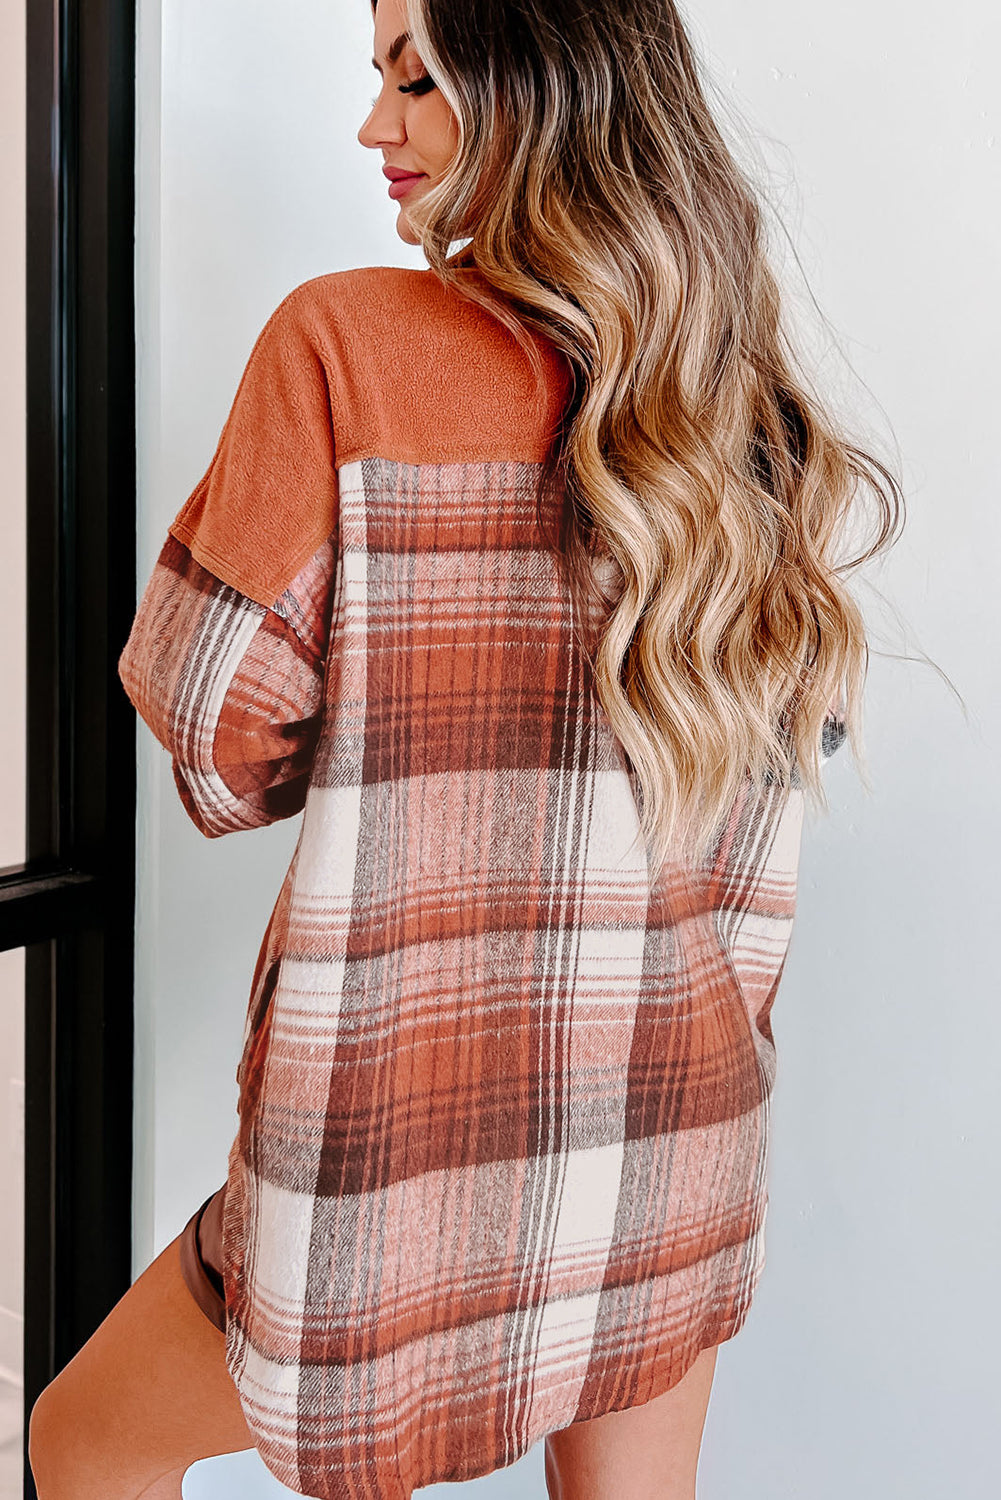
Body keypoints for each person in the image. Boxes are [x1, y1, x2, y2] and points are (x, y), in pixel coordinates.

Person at [27, 1, 903, 1497]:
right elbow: (765, 843)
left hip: (403, 1176)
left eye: (416, 78)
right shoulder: (738, 407)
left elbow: (216, 745)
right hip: (671, 1137)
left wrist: (397, 703)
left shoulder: (344, 347)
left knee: (79, 1443)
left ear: (542, 85)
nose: (376, 125)